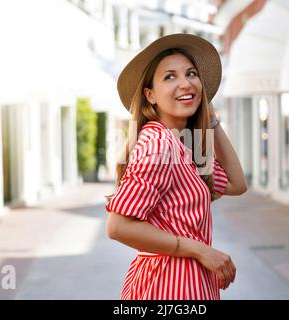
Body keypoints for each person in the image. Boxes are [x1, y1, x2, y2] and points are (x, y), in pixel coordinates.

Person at [105, 33, 247, 300]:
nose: (185, 83)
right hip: (168, 287)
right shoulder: (160, 145)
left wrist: (212, 121)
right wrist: (202, 250)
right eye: (169, 77)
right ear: (151, 95)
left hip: (187, 284)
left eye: (191, 74)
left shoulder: (182, 145)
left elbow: (237, 184)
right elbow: (118, 226)